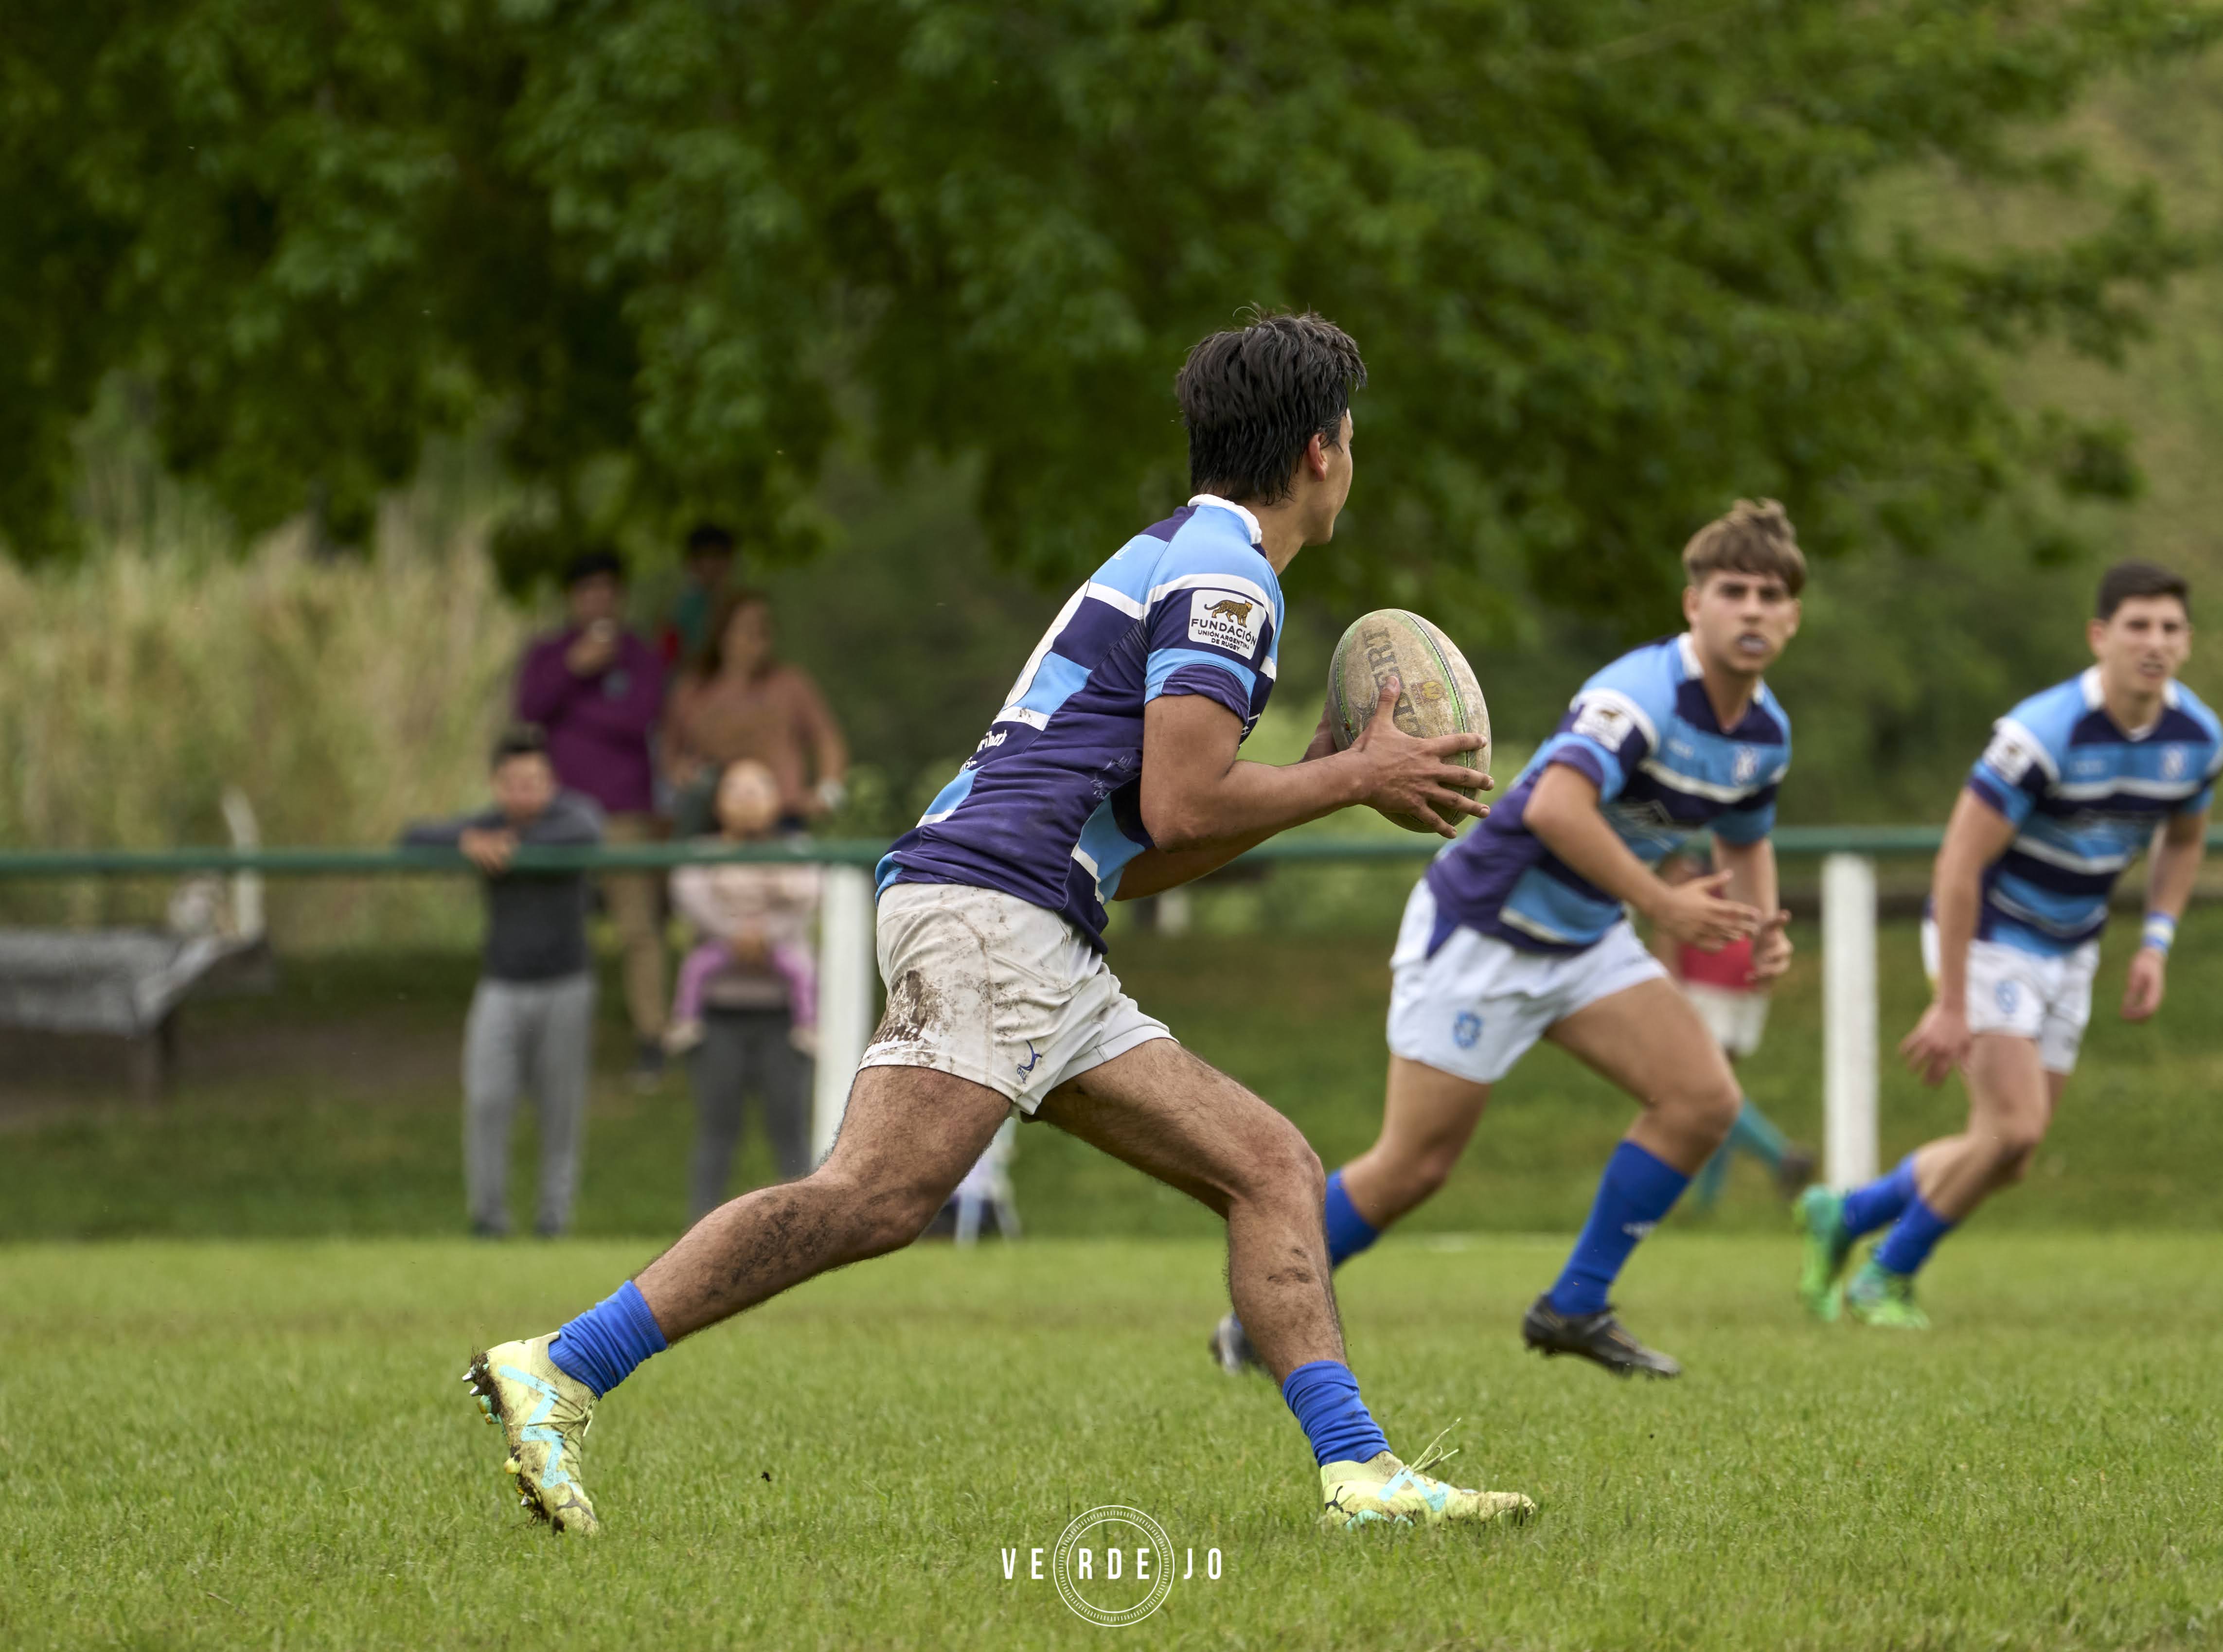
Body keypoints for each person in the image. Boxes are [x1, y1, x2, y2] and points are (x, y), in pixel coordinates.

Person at [464, 310, 1535, 1537]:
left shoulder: (1182, 557)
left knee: (1271, 1166)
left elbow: (1146, 845)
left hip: (1033, 915)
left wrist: (1316, 774)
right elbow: (1186, 796)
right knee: (873, 1196)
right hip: (992, 909)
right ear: (1323, 453)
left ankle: (1358, 1473)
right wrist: (1350, 779)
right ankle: (561, 1363)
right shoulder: (1231, 581)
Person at [1211, 500, 1805, 1382]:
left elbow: (1746, 835)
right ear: (1693, 605)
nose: (1752, 609)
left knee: (1701, 1102)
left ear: (1792, 615)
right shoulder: (1636, 697)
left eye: (1771, 595)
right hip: (1482, 930)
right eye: (1733, 591)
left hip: (1583, 940)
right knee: (1412, 1168)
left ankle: (1573, 1305)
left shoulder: (1764, 734)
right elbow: (1559, 808)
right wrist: (1662, 904)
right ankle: (1253, 1319)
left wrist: (1758, 925)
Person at [1798, 561, 2217, 1330]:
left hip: (2072, 945)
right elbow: (1958, 861)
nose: (2152, 642)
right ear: (2099, 637)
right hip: (1989, 935)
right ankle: (1883, 1277)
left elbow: (2184, 841)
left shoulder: (2194, 739)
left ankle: (1848, 1213)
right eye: (2136, 626)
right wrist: (1951, 1001)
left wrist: (2153, 944)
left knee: (2009, 1152)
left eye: (2168, 628)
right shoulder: (2041, 733)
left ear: (2186, 642)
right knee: (2014, 1127)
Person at [402, 726, 604, 1239]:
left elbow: (588, 832)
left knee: (561, 1108)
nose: (524, 790)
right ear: (496, 784)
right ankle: (487, 1218)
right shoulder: (484, 826)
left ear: (550, 781)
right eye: (513, 781)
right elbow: (412, 836)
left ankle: (553, 1220)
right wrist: (467, 840)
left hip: (566, 982)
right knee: (487, 1099)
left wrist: (507, 846)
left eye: (535, 780)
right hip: (501, 984)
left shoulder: (572, 819)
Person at [515, 547, 670, 1085]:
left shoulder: (641, 656)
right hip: (556, 816)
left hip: (625, 812)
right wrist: (574, 671)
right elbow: (529, 709)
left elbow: (641, 720)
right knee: (556, 926)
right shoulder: (548, 653)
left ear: (619, 595)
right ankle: (550, 1042)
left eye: (607, 589)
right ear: (572, 598)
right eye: (587, 590)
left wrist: (574, 713)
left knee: (637, 929)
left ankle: (653, 1037)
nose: (598, 599)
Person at [667, 760, 821, 1222]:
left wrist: (762, 935)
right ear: (717, 802)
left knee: (790, 1129)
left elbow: (807, 899)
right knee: (716, 1129)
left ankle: (802, 1230)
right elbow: (691, 898)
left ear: (777, 799)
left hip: (784, 1018)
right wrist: (740, 934)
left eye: (758, 788)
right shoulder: (699, 852)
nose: (747, 797)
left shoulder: (797, 849)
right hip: (718, 1014)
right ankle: (699, 1233)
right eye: (736, 789)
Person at [1653, 850, 1815, 1210]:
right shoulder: (1737, 828)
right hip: (1747, 977)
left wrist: (1667, 975)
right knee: (1714, 1091)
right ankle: (1707, 1204)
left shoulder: (1686, 849)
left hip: (1708, 977)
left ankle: (1781, 1155)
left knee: (1708, 1092)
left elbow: (1668, 915)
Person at [662, 589, 850, 835]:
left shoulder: (790, 684)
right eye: (747, 629)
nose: (757, 639)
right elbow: (668, 746)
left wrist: (828, 794)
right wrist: (680, 773)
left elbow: (828, 739)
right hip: (713, 823)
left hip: (784, 816)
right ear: (723, 633)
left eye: (764, 630)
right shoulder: (694, 689)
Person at [659, 522, 737, 667]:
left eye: (720, 556)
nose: (713, 565)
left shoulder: (738, 605)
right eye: (707, 557)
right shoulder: (680, 609)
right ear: (692, 563)